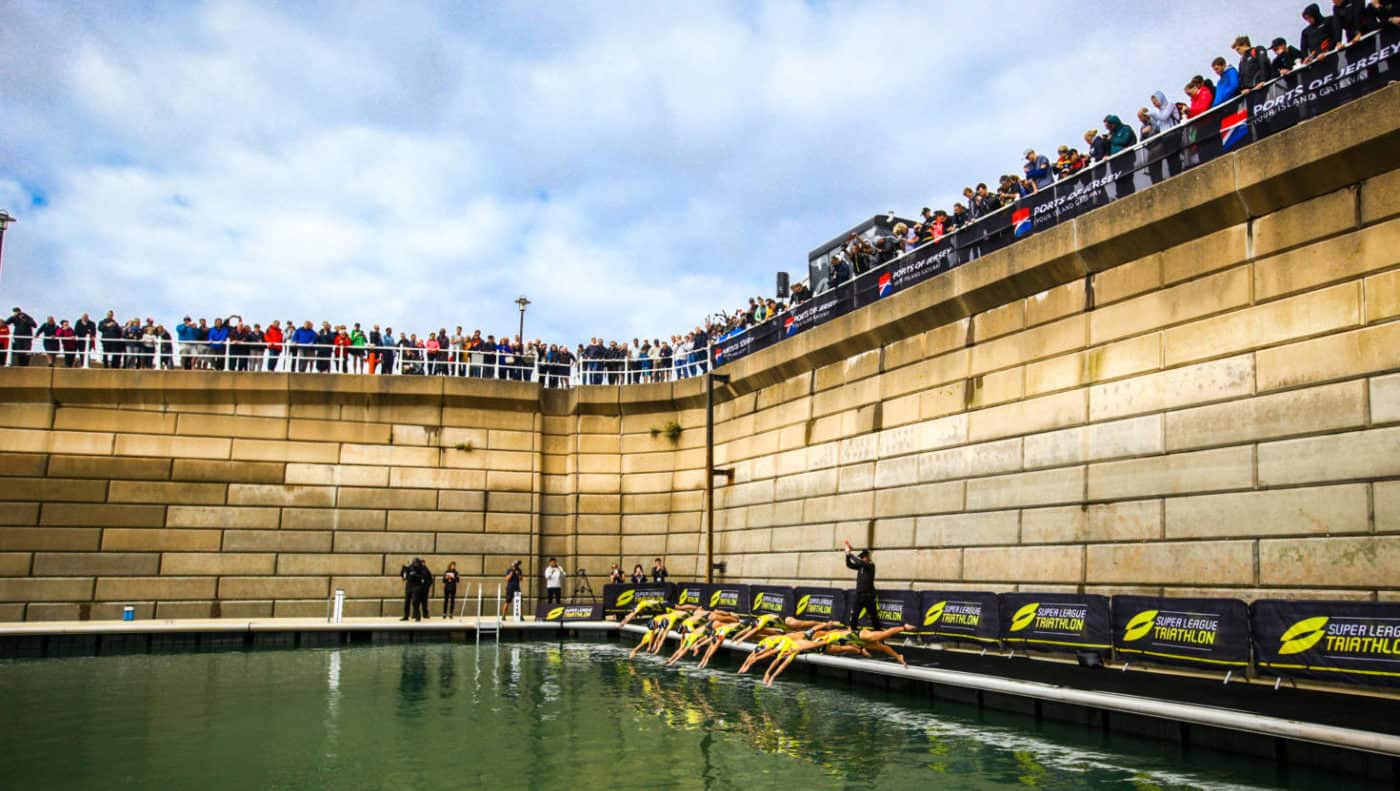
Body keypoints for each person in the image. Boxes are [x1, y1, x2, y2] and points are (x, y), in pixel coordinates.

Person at [843, 540, 882, 629]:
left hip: (868, 596)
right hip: (859, 595)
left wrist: (850, 554)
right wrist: (847, 555)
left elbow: (861, 562)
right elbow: (849, 565)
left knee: (874, 617)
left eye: (863, 557)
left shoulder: (870, 565)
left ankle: (879, 633)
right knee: (854, 615)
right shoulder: (861, 566)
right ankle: (853, 631)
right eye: (862, 557)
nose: (862, 558)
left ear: (867, 557)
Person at [400, 557, 433, 622]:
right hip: (409, 586)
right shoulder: (409, 567)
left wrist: (416, 575)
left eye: (416, 562)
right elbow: (404, 576)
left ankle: (418, 615)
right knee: (407, 601)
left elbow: (425, 576)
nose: (415, 564)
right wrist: (403, 569)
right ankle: (406, 616)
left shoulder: (422, 568)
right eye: (414, 562)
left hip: (417, 586)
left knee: (415, 601)